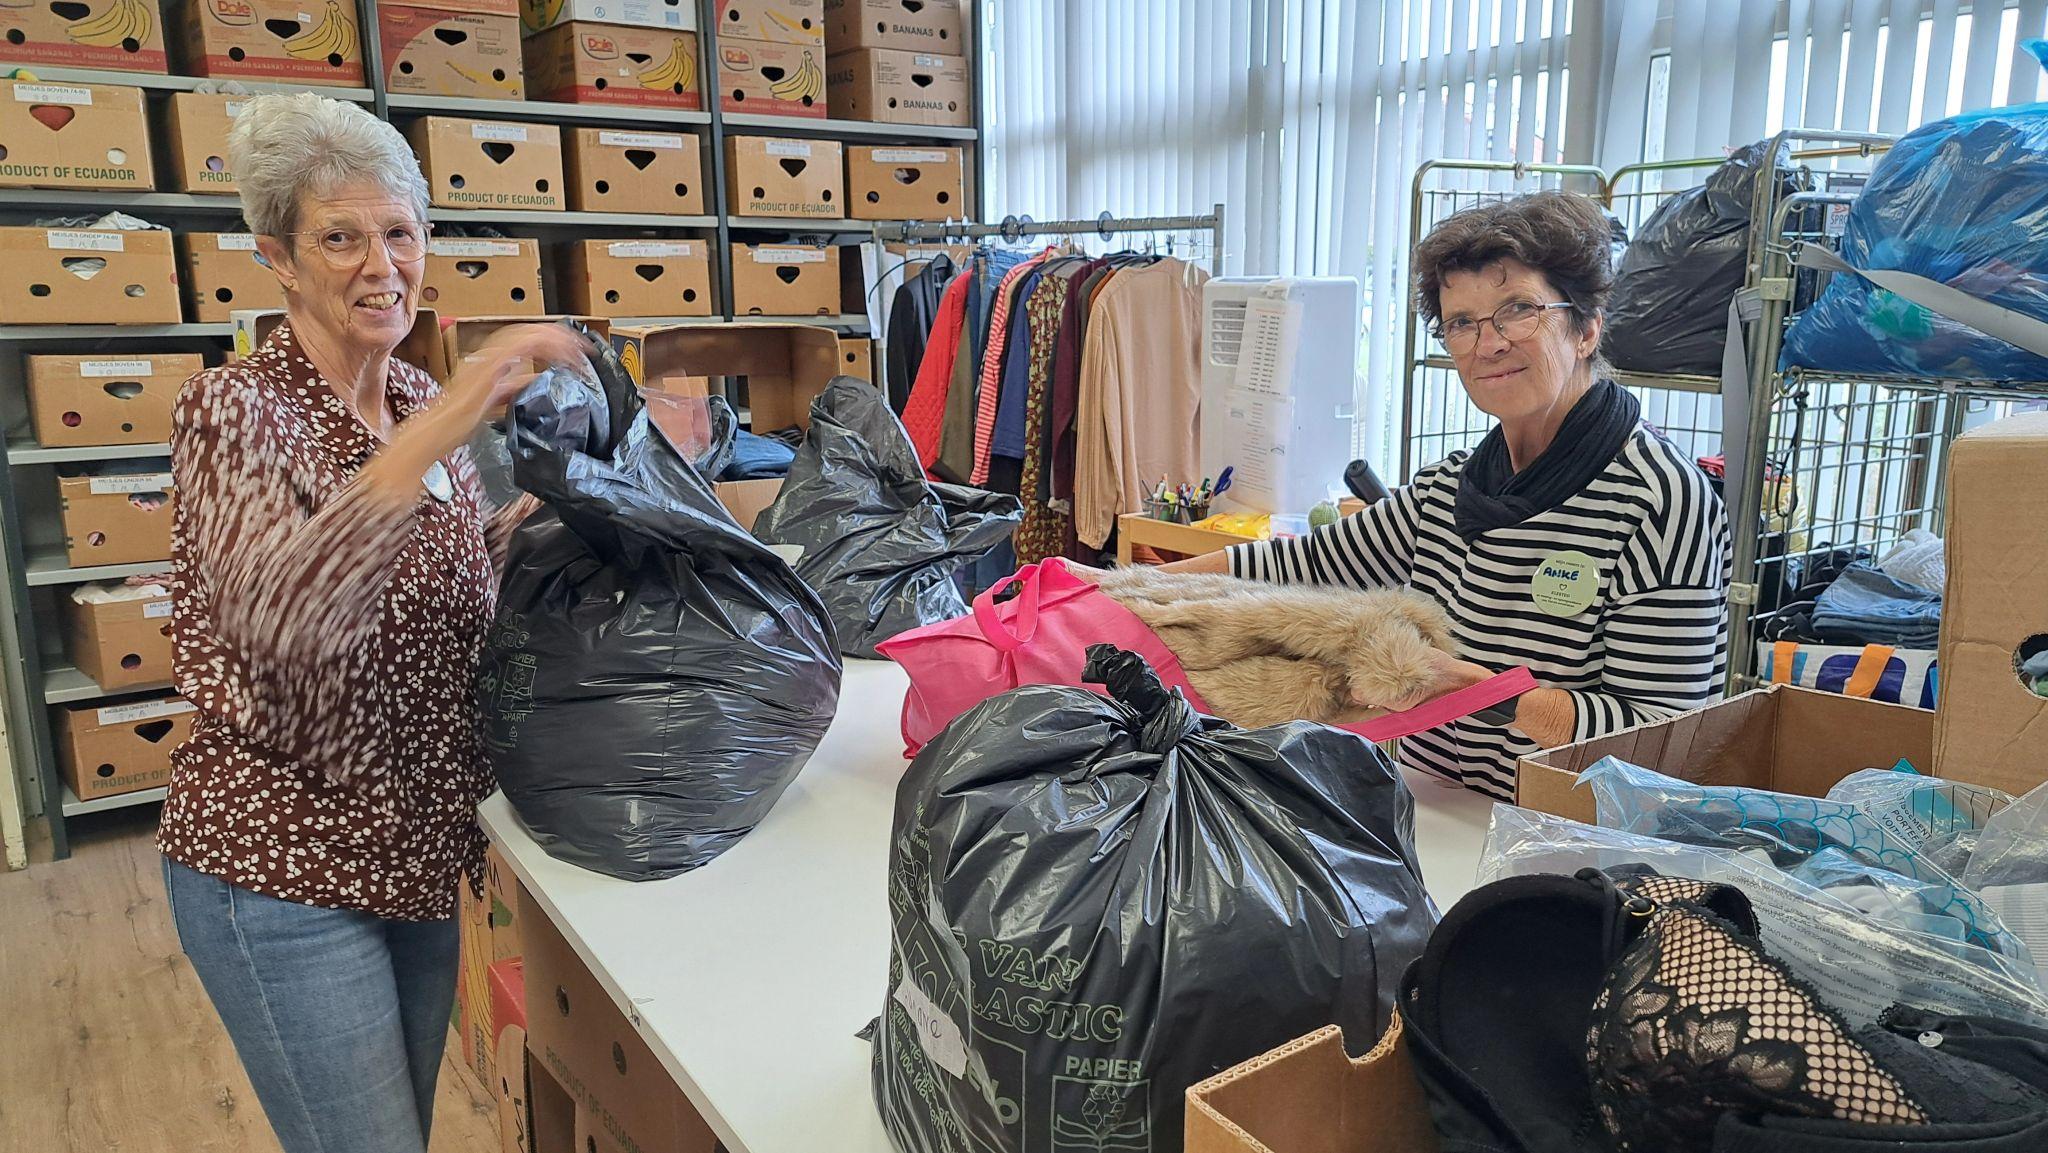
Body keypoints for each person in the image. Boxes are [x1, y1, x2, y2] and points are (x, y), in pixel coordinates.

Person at [156, 93, 587, 1153]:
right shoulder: (235, 410)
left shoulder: (410, 398)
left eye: (400, 233)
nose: (381, 265)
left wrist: (554, 511)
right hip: (282, 865)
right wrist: (452, 416)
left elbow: (442, 586)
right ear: (279, 259)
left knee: (400, 1131)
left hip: (412, 851)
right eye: (340, 238)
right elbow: (282, 622)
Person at [1102, 191, 1730, 800]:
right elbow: (1300, 561)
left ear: (1586, 328)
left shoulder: (1660, 500)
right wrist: (1111, 591)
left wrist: (1483, 693)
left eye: (1519, 309)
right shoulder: (1450, 487)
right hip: (1428, 805)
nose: (1489, 343)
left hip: (1556, 833)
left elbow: (1663, 743)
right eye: (1462, 323)